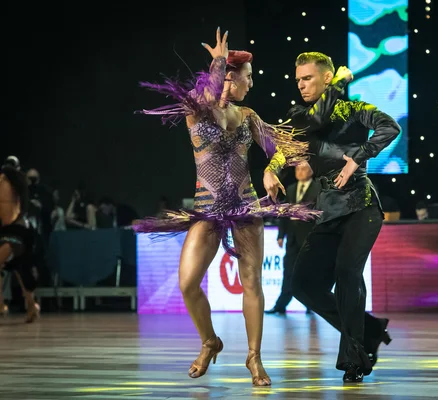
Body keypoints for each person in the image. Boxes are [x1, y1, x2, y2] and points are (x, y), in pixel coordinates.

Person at [133, 28, 319, 387]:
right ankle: (210, 341)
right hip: (207, 208)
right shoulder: (195, 109)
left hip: (246, 206)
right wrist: (218, 61)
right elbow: (205, 96)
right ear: (230, 78)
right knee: (188, 282)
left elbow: (279, 149)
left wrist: (270, 169)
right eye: (248, 78)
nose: (251, 83)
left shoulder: (248, 115)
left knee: (252, 283)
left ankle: (254, 357)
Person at [287, 52, 400, 382]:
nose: (301, 85)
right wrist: (271, 168)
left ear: (325, 78)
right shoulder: (302, 114)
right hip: (329, 211)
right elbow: (316, 121)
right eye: (297, 80)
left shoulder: (355, 110)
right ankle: (371, 329)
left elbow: (390, 126)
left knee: (347, 273)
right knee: (303, 283)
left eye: (307, 78)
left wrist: (358, 157)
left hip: (362, 207)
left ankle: (355, 358)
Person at [266, 163, 320, 314]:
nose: (300, 172)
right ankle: (281, 305)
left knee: (310, 270)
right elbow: (284, 214)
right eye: (297, 169)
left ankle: (312, 305)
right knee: (288, 271)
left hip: (310, 237)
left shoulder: (318, 188)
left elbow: (321, 212)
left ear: (311, 171)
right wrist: (281, 235)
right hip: (292, 238)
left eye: (303, 169)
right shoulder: (290, 189)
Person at [0, 166, 41, 323]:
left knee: (18, 267)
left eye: (3, 178)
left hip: (18, 232)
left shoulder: (13, 190)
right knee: (19, 268)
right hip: (8, 232)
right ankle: (31, 306)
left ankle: (2, 305)